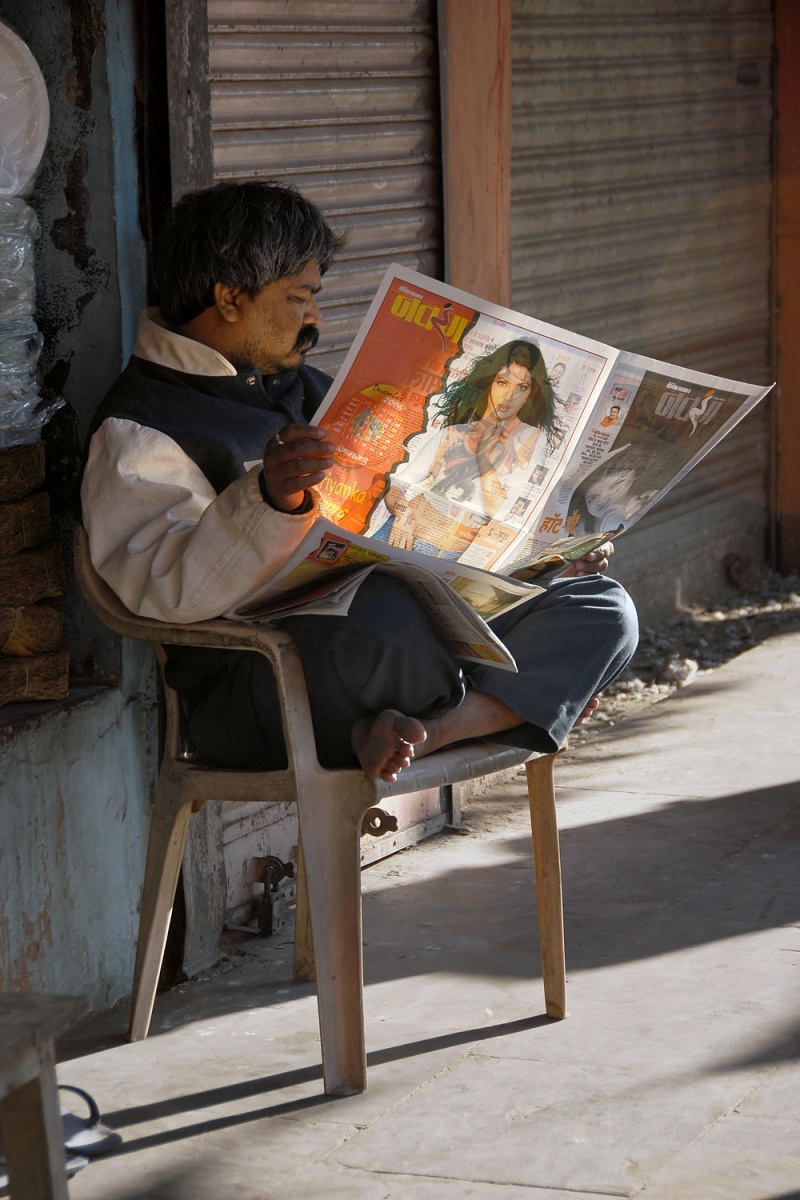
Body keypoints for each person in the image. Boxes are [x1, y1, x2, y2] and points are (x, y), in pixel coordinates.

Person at [81, 180, 638, 784]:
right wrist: (269, 501)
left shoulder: (305, 389)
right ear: (230, 297)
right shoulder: (140, 429)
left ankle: (426, 733)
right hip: (267, 686)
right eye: (300, 298)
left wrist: (547, 556)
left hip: (396, 650)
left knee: (603, 609)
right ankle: (520, 701)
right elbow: (163, 591)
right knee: (390, 621)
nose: (315, 318)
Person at [374, 340, 562, 555]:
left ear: (532, 393)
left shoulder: (530, 439)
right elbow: (398, 485)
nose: (509, 395)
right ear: (489, 382)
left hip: (444, 552)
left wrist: (483, 456)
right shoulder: (455, 432)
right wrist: (403, 514)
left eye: (521, 387)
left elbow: (499, 510)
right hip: (399, 531)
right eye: (502, 382)